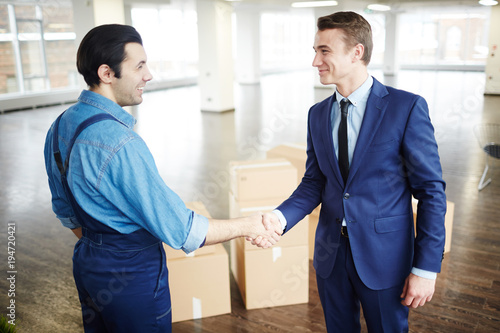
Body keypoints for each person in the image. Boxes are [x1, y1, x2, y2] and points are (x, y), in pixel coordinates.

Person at [44, 24, 281, 333]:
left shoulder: (60, 125)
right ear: (106, 73)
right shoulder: (120, 144)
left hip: (88, 264)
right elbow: (182, 230)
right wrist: (248, 225)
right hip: (131, 276)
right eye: (139, 66)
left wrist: (102, 247)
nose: (149, 75)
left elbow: (64, 209)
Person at [255, 11, 446, 332]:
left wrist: (426, 269)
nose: (315, 61)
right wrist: (279, 218)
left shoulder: (405, 108)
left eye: (324, 51)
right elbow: (314, 183)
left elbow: (431, 192)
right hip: (331, 255)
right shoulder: (317, 115)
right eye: (315, 51)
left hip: (385, 256)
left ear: (356, 52)